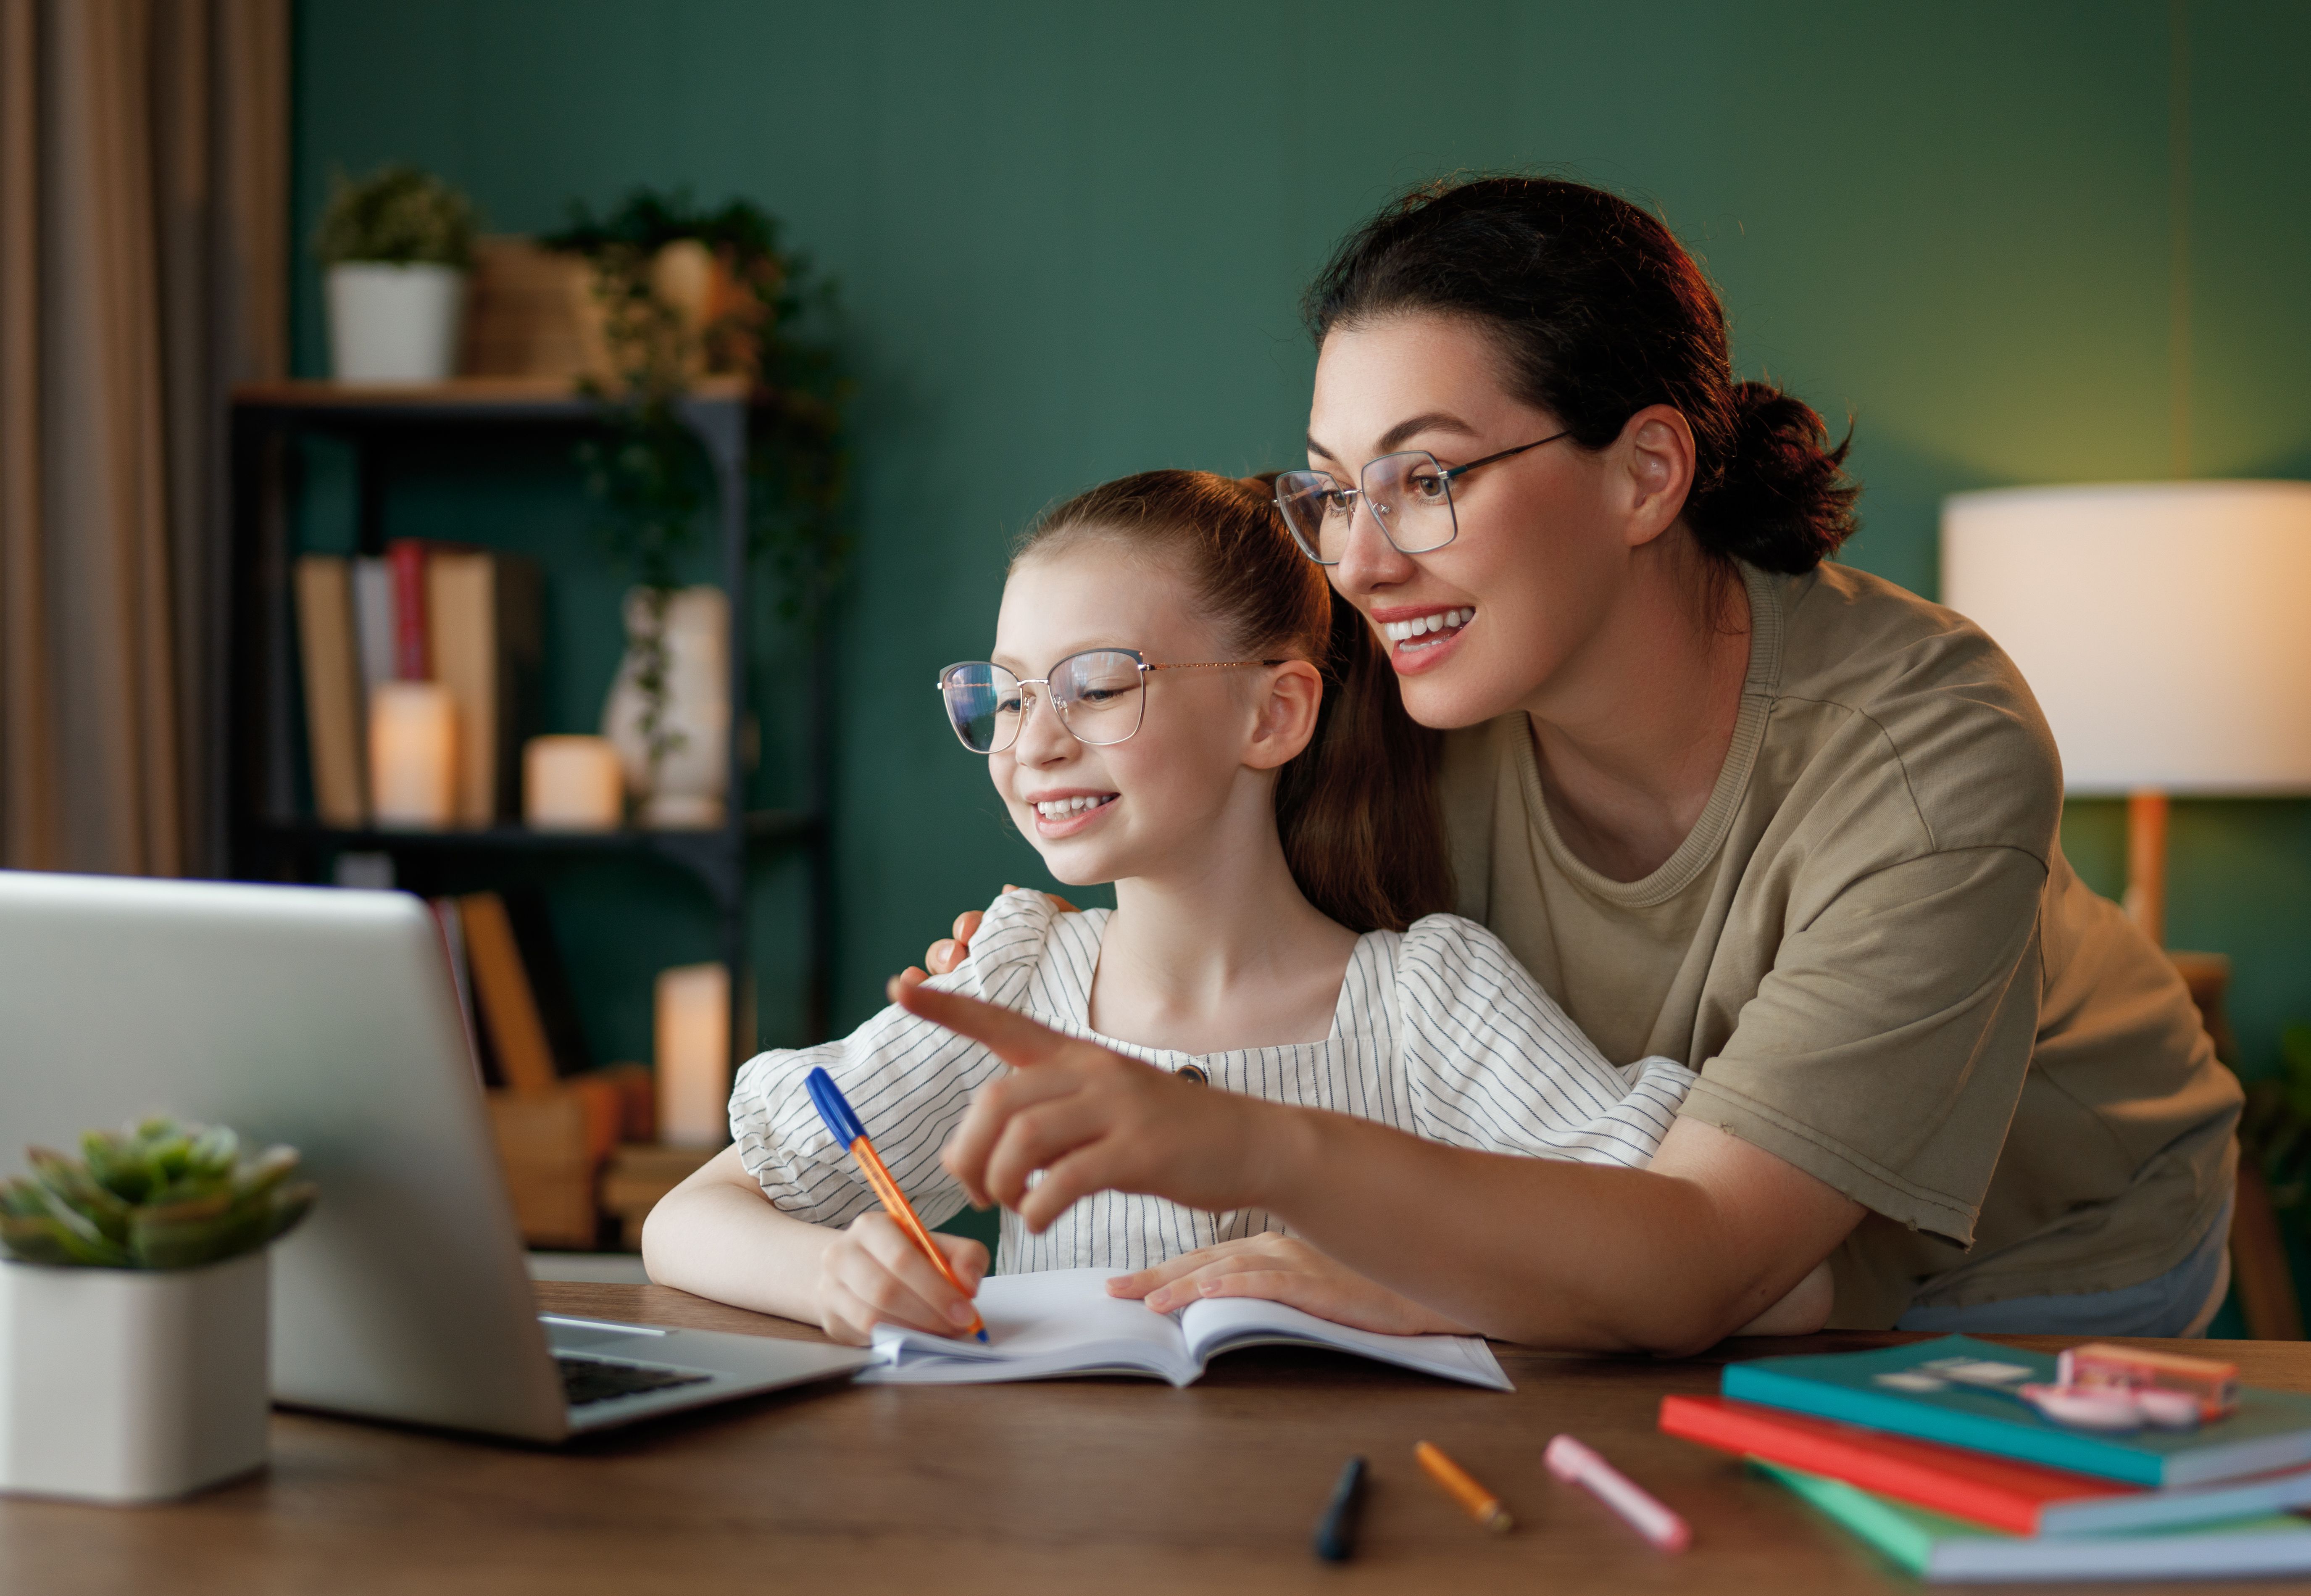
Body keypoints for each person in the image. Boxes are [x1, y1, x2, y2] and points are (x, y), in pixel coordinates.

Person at [911, 176, 2242, 1349]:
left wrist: (1341, 1205)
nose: (1362, 561)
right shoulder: (1393, 662)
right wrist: (1076, 948)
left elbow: (1710, 1264)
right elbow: (1185, 826)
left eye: (1425, 478)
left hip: (2026, 1260)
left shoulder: (1926, 753)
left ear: (1645, 472)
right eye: (1331, 489)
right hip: (1643, 1246)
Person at [644, 469, 1803, 1346]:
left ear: (1272, 716)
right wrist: (834, 1277)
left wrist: (1427, 1289)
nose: (1033, 742)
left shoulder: (1429, 1003)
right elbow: (688, 1216)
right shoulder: (1009, 984)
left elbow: (1737, 1274)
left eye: (1095, 687)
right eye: (1001, 696)